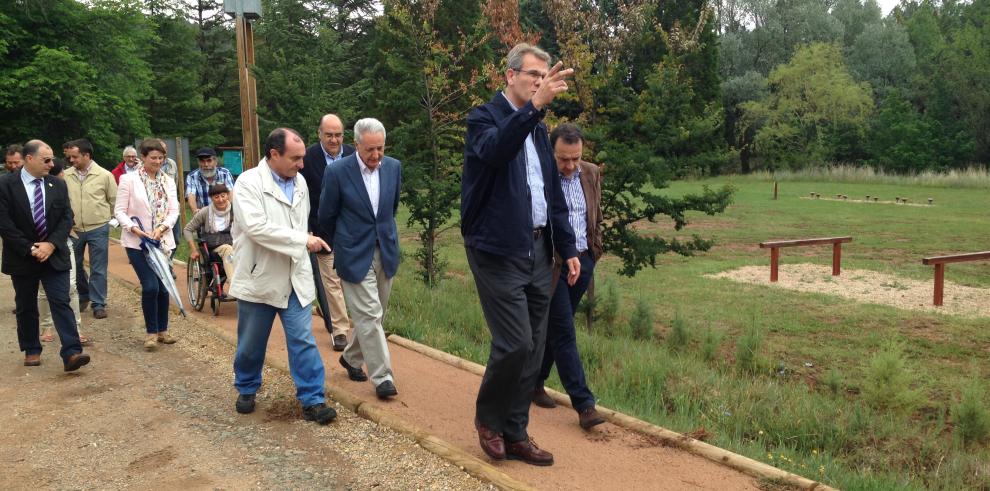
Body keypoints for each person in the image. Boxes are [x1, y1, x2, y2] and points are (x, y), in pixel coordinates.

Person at [461, 43, 579, 466]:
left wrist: (567, 248)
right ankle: (489, 422)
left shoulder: (538, 130)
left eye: (545, 76)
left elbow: (552, 195)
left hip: (537, 248)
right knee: (514, 342)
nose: (540, 82)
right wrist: (534, 109)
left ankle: (515, 431)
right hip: (495, 248)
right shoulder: (483, 118)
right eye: (534, 74)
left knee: (534, 346)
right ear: (510, 75)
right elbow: (495, 151)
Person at [229, 128, 337, 425]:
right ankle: (247, 387)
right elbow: (256, 227)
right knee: (251, 343)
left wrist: (303, 240)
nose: (302, 165)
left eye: (302, 158)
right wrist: (302, 240)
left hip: (294, 277)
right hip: (260, 277)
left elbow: (299, 222)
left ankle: (313, 399)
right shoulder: (248, 183)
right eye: (295, 158)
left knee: (303, 339)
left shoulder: (300, 182)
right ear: (274, 154)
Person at [319, 118, 402, 400]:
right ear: (356, 145)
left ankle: (352, 358)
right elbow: (327, 214)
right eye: (370, 150)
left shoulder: (393, 167)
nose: (376, 156)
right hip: (353, 253)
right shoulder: (338, 172)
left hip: (385, 250)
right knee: (368, 314)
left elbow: (391, 208)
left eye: (380, 149)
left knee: (376, 314)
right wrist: (332, 247)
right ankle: (383, 377)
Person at [532, 123, 606, 430]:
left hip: (583, 261)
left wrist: (593, 251)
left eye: (575, 158)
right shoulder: (542, 175)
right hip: (553, 264)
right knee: (563, 330)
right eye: (564, 158)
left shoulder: (590, 173)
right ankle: (584, 404)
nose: (570, 165)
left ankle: (534, 382)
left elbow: (596, 214)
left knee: (557, 326)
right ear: (552, 153)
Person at [0, 140, 90, 371]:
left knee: (61, 300)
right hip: (22, 255)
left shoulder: (57, 185)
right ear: (29, 159)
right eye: (46, 160)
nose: (52, 164)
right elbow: (5, 223)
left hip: (53, 254)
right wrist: (30, 248)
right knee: (26, 304)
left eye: (51, 160)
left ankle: (72, 352)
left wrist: (50, 245)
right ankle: (31, 348)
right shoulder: (5, 184)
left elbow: (66, 218)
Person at [114, 138, 180, 351]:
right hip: (138, 243)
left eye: (161, 158)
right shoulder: (128, 180)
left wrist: (162, 228)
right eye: (153, 158)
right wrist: (134, 228)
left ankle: (163, 330)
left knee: (163, 288)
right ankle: (150, 333)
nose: (157, 162)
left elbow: (174, 210)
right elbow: (119, 211)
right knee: (150, 286)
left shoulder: (168, 181)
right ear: (143, 158)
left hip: (162, 242)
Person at [301, 113, 354, 352]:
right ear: (319, 134)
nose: (334, 140)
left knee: (349, 280)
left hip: (352, 231)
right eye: (329, 135)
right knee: (331, 281)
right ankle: (341, 330)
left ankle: (341, 317)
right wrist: (306, 228)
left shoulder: (354, 155)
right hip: (322, 229)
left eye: (338, 135)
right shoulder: (308, 158)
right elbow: (300, 194)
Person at [63, 138, 117, 319]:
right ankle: (84, 294)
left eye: (75, 157)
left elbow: (113, 201)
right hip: (73, 229)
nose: (71, 160)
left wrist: (110, 220)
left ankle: (98, 303)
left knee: (98, 268)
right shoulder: (66, 175)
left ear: (87, 155)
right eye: (70, 157)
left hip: (98, 227)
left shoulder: (105, 175)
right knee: (74, 265)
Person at [39, 158, 90, 346]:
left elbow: (68, 216)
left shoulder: (61, 187)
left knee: (71, 286)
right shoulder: (37, 189)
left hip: (63, 242)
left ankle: (76, 328)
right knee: (43, 289)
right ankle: (46, 326)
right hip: (40, 244)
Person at [183, 183, 235, 296]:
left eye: (223, 195)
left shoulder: (235, 210)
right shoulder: (205, 212)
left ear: (228, 195)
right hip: (214, 247)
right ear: (211, 198)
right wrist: (193, 250)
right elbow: (187, 229)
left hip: (233, 242)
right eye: (216, 197)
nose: (221, 200)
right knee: (228, 249)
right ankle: (235, 286)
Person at [186, 147, 235, 214]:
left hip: (224, 213)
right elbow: (191, 195)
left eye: (209, 161)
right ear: (198, 162)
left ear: (215, 161)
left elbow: (231, 193)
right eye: (202, 161)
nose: (206, 164)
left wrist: (227, 212)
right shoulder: (192, 176)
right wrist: (195, 212)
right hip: (203, 215)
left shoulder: (225, 174)